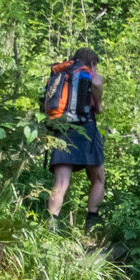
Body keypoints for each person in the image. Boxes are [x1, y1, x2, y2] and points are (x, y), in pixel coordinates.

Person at [46, 47, 105, 232]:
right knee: (98, 179)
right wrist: (99, 105)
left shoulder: (62, 73)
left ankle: (51, 226)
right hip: (86, 127)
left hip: (62, 128)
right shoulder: (88, 73)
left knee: (61, 181)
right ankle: (91, 224)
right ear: (92, 63)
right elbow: (97, 82)